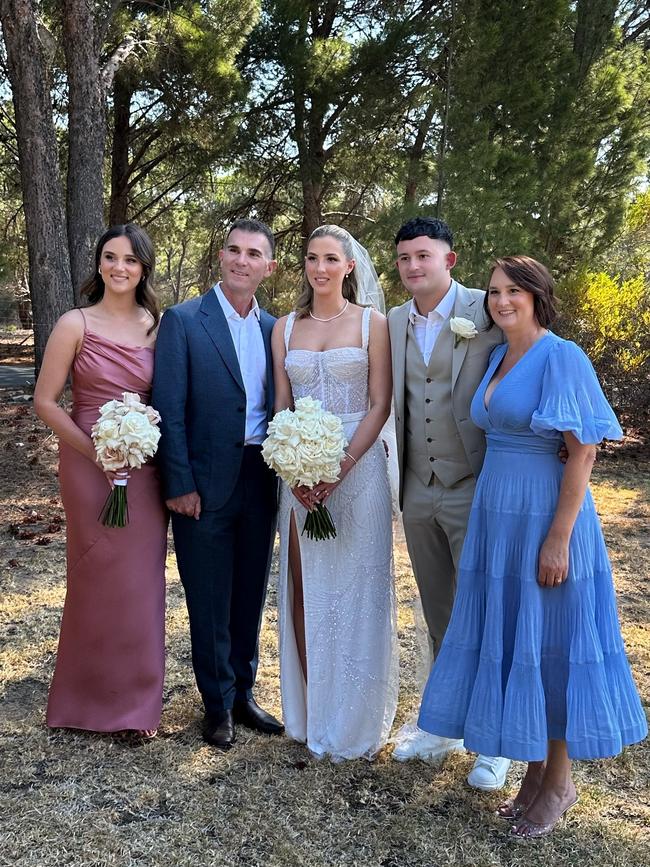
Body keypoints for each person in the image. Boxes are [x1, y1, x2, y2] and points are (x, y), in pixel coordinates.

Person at [417, 256, 648, 837]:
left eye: (514, 291)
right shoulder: (498, 355)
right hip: (499, 519)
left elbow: (584, 451)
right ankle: (534, 771)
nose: (501, 301)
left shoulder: (561, 355)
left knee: (553, 645)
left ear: (538, 295)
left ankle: (561, 781)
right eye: (494, 292)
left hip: (545, 517)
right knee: (521, 634)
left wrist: (559, 539)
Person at [387, 217, 511, 790]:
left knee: (482, 610)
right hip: (418, 487)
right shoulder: (391, 321)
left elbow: (531, 360)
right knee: (439, 611)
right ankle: (443, 726)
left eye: (424, 256)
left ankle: (497, 740)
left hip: (475, 483)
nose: (414, 266)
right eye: (405, 257)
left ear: (449, 260)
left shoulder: (488, 310)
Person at [152, 219, 282, 750]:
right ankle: (216, 704)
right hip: (202, 482)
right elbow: (169, 407)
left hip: (261, 474)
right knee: (208, 596)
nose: (241, 260)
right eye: (234, 250)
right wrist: (179, 481)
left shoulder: (277, 328)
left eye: (254, 253)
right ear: (221, 256)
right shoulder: (183, 321)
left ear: (268, 268)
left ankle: (243, 694)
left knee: (249, 591)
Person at [34, 223, 167, 738]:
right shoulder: (75, 323)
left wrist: (140, 436)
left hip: (143, 463)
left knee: (140, 581)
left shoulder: (158, 327)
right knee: (93, 576)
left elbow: (167, 397)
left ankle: (136, 709)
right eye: (110, 257)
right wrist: (96, 451)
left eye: (130, 260)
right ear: (98, 264)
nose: (119, 267)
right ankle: (81, 701)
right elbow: (46, 401)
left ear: (143, 268)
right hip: (86, 464)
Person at [271, 224, 398, 760]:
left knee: (359, 590)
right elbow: (281, 403)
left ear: (349, 267)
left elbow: (380, 404)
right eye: (310, 258)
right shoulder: (283, 327)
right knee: (307, 587)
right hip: (297, 474)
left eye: (330, 259)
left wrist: (340, 466)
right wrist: (295, 470)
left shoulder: (374, 324)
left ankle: (356, 721)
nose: (319, 268)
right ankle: (313, 713)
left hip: (358, 466)